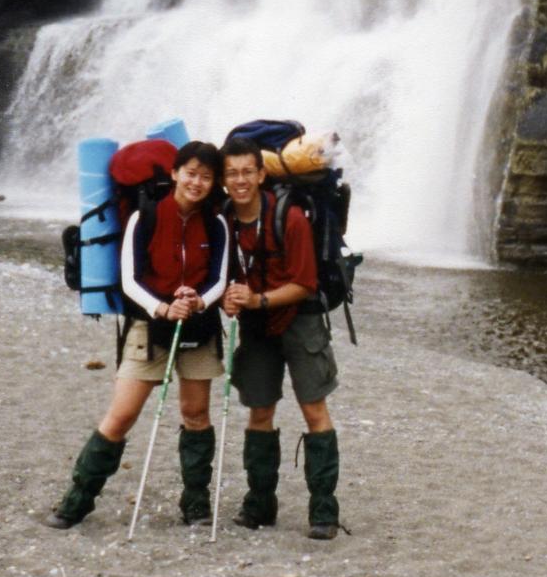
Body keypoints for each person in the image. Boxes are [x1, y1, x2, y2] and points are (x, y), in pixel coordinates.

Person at [49, 141, 230, 528]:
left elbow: (220, 278)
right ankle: (77, 500)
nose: (197, 182)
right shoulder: (144, 218)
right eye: (191, 173)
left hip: (199, 325)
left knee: (196, 414)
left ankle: (196, 503)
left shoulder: (216, 224)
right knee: (122, 415)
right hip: (149, 326)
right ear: (175, 173)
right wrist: (162, 307)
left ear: (213, 182)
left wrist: (197, 301)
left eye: (206, 176)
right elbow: (129, 280)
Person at [220, 134, 342, 540]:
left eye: (246, 172)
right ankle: (260, 503)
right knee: (259, 411)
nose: (239, 180)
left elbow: (305, 283)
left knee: (313, 411)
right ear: (224, 179)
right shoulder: (223, 220)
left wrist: (256, 299)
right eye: (231, 173)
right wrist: (228, 298)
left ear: (260, 174)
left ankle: (323, 510)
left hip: (299, 320)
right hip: (258, 324)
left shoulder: (288, 218)